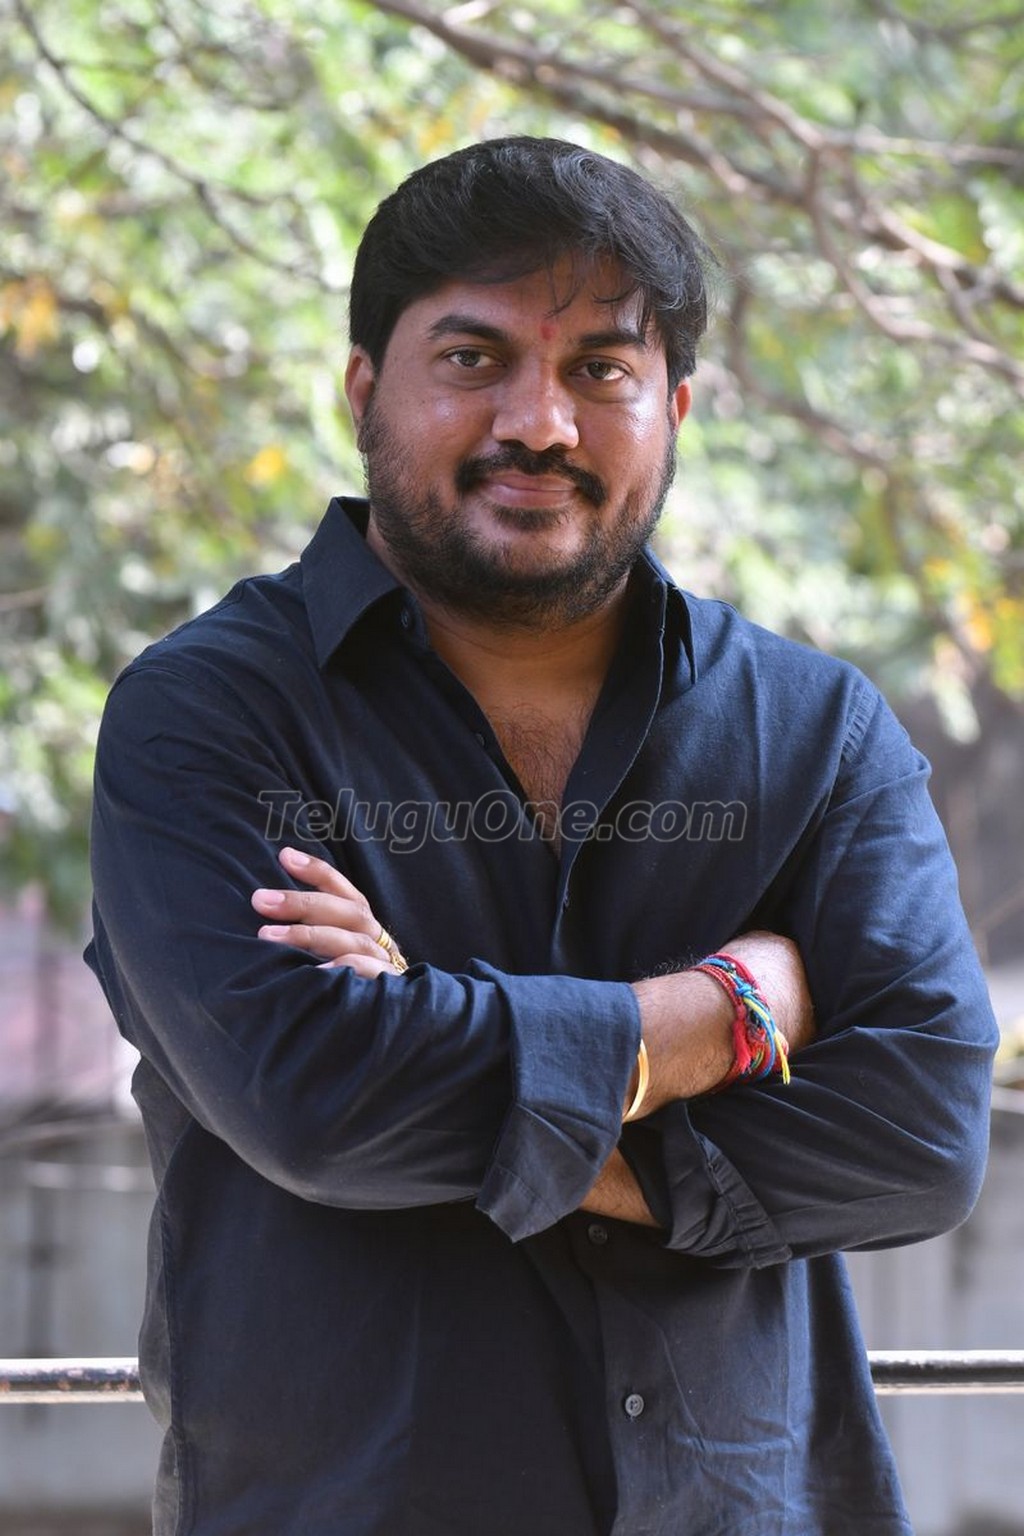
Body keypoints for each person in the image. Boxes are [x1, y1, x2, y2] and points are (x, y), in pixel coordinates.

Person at [86, 136, 997, 1536]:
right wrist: (725, 1015)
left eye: (601, 370)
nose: (541, 423)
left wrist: (452, 1051)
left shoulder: (819, 733)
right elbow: (318, 1101)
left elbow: (921, 1133)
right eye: (474, 358)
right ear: (363, 391)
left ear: (673, 409)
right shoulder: (208, 717)